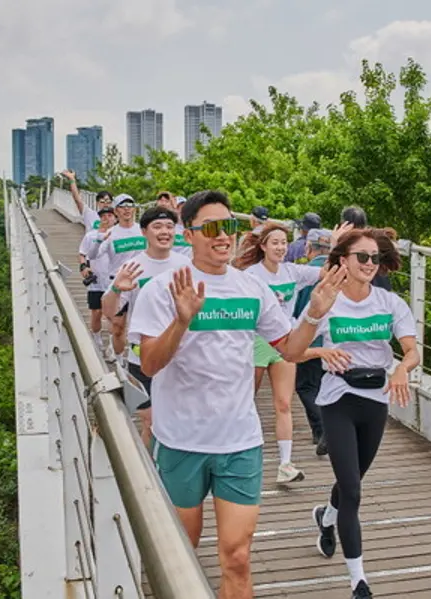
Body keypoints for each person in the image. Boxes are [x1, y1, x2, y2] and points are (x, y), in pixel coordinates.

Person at [127, 190, 349, 599]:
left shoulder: (251, 288)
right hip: (181, 442)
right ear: (189, 235)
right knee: (181, 556)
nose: (222, 235)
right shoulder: (163, 289)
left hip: (240, 442)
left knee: (238, 558)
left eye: (228, 225)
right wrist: (182, 321)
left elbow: (289, 350)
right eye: (210, 227)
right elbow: (150, 365)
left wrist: (315, 312)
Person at [305, 228, 420, 599]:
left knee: (350, 480)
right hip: (338, 397)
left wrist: (402, 369)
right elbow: (291, 347)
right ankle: (359, 582)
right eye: (362, 257)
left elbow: (412, 350)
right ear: (343, 260)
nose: (370, 264)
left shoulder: (389, 303)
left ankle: (326, 516)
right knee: (353, 490)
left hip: (375, 399)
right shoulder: (327, 301)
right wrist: (322, 352)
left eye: (375, 258)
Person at [233, 222, 324, 484]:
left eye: (284, 243)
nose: (281, 248)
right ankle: (236, 454)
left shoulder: (293, 271)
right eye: (275, 243)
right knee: (244, 401)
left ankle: (285, 464)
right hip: (257, 341)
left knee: (284, 404)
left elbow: (327, 272)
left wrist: (339, 243)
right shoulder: (251, 275)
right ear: (263, 246)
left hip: (285, 342)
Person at [101, 206, 190, 448]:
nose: (165, 232)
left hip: (180, 357)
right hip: (141, 357)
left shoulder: (187, 265)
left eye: (169, 227)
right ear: (143, 232)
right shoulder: (132, 267)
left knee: (178, 422)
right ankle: (149, 470)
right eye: (157, 227)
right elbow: (109, 312)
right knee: (150, 422)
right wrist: (117, 289)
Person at [86, 194, 145, 358]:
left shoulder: (143, 230)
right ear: (116, 211)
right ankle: (118, 358)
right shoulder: (111, 233)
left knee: (139, 324)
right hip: (117, 283)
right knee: (118, 325)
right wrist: (98, 240)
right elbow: (92, 255)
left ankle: (133, 359)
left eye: (130, 205)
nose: (127, 209)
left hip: (140, 282)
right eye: (122, 206)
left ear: (134, 209)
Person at [291, 229, 333, 456]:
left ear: (309, 248)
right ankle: (320, 431)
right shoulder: (337, 271)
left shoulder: (306, 274)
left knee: (306, 386)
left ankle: (325, 428)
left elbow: (296, 308)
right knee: (324, 384)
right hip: (333, 338)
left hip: (310, 337)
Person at [78, 206, 118, 359]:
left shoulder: (119, 235)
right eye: (103, 216)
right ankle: (97, 339)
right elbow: (82, 254)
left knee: (113, 315)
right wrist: (84, 267)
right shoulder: (91, 236)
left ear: (115, 218)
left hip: (113, 280)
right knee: (96, 312)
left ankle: (112, 347)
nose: (107, 218)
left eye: (110, 215)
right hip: (96, 280)